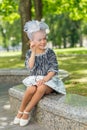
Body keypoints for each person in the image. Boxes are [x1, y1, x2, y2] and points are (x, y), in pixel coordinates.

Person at [13, 20, 66, 127]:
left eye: (44, 39)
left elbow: (53, 69)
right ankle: (20, 110)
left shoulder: (50, 52)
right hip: (35, 79)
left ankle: (26, 112)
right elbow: (30, 67)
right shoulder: (29, 53)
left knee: (41, 88)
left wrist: (45, 79)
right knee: (31, 89)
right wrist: (33, 52)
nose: (43, 42)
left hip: (49, 80)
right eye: (39, 40)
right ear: (32, 41)